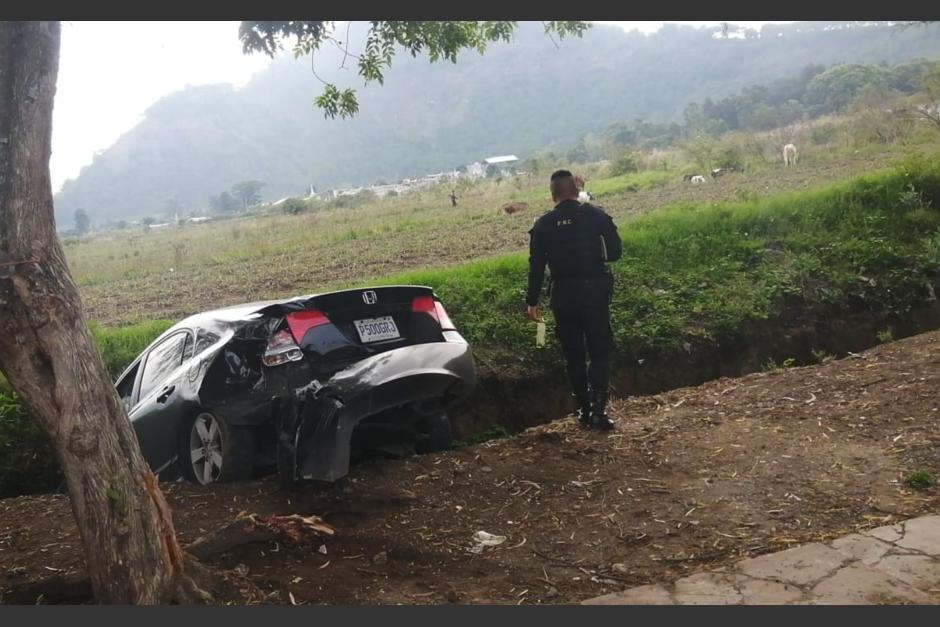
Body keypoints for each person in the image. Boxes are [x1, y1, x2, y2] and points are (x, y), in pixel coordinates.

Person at [526, 170, 622, 430]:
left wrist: (532, 301)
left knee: (574, 354)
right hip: (594, 292)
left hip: (563, 296)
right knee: (600, 350)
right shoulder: (595, 214)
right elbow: (615, 253)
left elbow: (536, 266)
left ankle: (582, 409)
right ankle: (599, 412)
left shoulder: (543, 224)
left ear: (552, 195)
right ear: (576, 189)